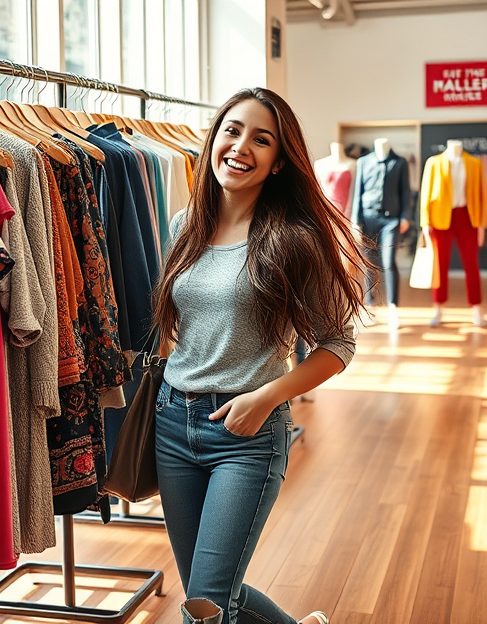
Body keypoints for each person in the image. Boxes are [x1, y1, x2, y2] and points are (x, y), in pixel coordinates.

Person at [151, 87, 368, 624]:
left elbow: (338, 344)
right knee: (214, 594)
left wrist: (266, 396)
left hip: (247, 435)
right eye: (232, 129)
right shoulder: (184, 227)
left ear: (276, 162)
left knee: (203, 608)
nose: (241, 146)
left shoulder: (293, 241)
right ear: (213, 139)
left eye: (261, 139)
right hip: (173, 424)